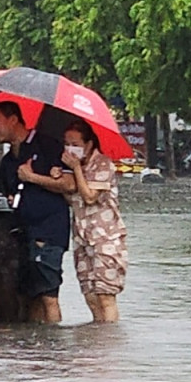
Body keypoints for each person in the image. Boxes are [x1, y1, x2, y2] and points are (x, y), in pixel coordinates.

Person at [0, 101, 75, 324]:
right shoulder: (7, 162)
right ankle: (34, 351)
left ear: (13, 119)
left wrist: (32, 177)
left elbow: (69, 184)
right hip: (20, 236)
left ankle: (54, 347)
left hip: (48, 231)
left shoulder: (48, 146)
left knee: (48, 295)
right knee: (28, 296)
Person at [57, 118, 127, 322]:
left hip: (106, 239)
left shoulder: (102, 164)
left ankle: (110, 343)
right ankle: (96, 342)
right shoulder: (68, 168)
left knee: (105, 295)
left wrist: (76, 168)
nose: (70, 149)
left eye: (76, 145)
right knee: (90, 296)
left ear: (88, 144)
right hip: (82, 238)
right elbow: (71, 198)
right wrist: (59, 178)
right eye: (67, 144)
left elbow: (89, 196)